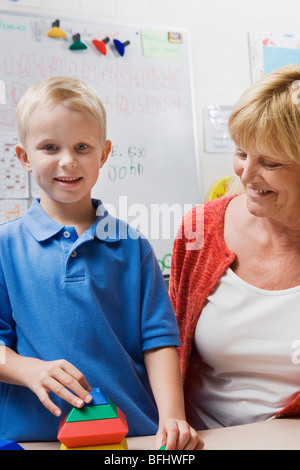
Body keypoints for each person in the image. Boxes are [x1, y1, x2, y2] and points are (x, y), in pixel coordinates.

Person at [0, 76, 203, 450]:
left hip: (132, 437)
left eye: (82, 146)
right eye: (49, 147)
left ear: (104, 154)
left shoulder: (133, 246)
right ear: (25, 158)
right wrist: (29, 369)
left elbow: (158, 341)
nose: (67, 160)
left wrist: (173, 418)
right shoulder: (5, 246)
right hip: (32, 439)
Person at [170, 64, 300, 431]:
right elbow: (166, 346)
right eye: (242, 153)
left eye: (269, 163)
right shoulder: (201, 229)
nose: (245, 174)